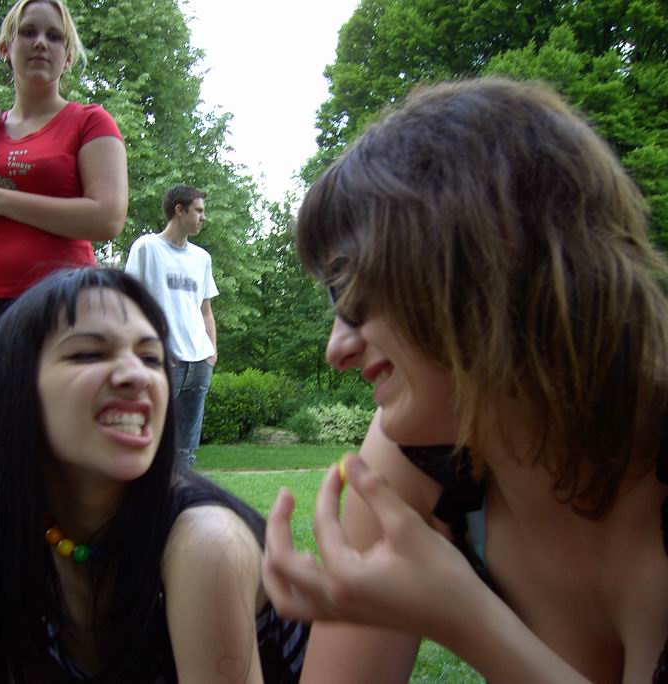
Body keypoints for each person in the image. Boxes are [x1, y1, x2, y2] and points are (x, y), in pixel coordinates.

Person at [262, 77, 668, 683]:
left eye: (353, 292)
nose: (336, 350)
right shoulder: (417, 457)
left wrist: (469, 621)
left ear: (482, 266)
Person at [0, 267, 307, 682]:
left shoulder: (205, 544)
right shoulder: (17, 528)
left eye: (150, 358)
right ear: (15, 387)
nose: (138, 375)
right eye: (89, 353)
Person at [0, 0, 128, 558]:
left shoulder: (89, 121)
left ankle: (62, 583)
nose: (41, 43)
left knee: (56, 450)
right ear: (6, 47)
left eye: (54, 36)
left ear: (68, 55)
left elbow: (106, 216)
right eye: (28, 33)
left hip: (58, 310)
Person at [125, 185, 218, 466]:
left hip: (199, 362)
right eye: (198, 211)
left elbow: (206, 311)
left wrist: (211, 353)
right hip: (164, 361)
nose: (203, 218)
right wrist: (149, 352)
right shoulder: (147, 248)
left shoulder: (202, 258)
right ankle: (147, 492)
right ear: (180, 210)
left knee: (186, 449)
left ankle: (180, 493)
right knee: (151, 439)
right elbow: (130, 304)